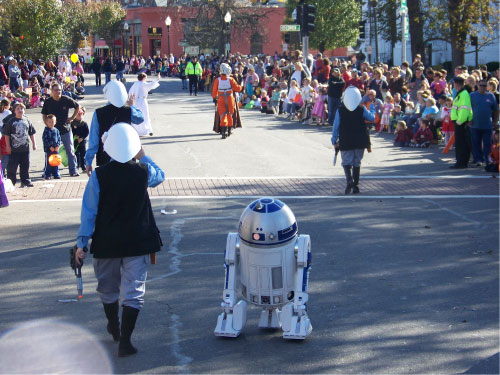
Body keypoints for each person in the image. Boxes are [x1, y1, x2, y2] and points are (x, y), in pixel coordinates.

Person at [74, 123, 164, 357]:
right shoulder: (143, 171)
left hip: (107, 242)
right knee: (134, 291)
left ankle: (113, 325)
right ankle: (125, 340)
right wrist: (142, 153)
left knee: (108, 289)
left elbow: (89, 212)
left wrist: (82, 243)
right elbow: (160, 175)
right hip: (138, 240)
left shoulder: (99, 175)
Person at [85, 81, 144, 176]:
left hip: (105, 157)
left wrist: (88, 161)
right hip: (127, 155)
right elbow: (140, 118)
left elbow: (93, 140)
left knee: (107, 188)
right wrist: (132, 105)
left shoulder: (98, 113)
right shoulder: (128, 111)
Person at [331, 86, 375, 195]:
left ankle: (349, 180)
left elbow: (336, 127)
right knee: (357, 162)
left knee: (346, 161)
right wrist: (373, 108)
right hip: (361, 139)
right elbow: (372, 118)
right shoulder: (361, 108)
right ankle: (356, 185)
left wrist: (334, 140)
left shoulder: (340, 110)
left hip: (346, 139)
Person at [41, 82, 80, 176]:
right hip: (53, 132)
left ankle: (73, 170)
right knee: (51, 152)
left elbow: (77, 106)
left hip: (65, 129)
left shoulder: (65, 99)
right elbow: (44, 115)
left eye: (59, 90)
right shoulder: (48, 101)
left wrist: (72, 118)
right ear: (51, 91)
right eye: (56, 90)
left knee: (70, 151)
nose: (58, 91)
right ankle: (49, 171)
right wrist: (48, 124)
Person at [2, 103, 37, 187]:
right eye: (18, 109)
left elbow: (31, 133)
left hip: (25, 148)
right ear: (14, 111)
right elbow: (6, 135)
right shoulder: (11, 121)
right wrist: (8, 146)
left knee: (25, 165)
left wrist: (34, 143)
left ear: (24, 110)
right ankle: (11, 182)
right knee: (12, 167)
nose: (20, 110)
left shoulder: (27, 120)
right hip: (14, 149)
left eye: (21, 108)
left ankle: (25, 181)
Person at [470, 79, 499, 167]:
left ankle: (488, 160)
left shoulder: (491, 96)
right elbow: (467, 109)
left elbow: (496, 110)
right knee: (476, 143)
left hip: (487, 125)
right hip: (475, 124)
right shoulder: (472, 95)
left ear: (487, 86)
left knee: (488, 144)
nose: (483, 87)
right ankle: (478, 159)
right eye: (481, 85)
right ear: (477, 85)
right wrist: (468, 119)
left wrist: (495, 121)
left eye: (484, 86)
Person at [212, 63, 243, 139]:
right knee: (230, 114)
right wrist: (241, 86)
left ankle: (223, 131)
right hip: (230, 99)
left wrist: (214, 98)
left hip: (221, 99)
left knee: (223, 115)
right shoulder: (231, 79)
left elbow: (214, 92)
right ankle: (229, 130)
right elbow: (237, 89)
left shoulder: (217, 80)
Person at [449, 76, 473, 169]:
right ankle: (461, 162)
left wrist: (459, 122)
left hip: (461, 123)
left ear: (456, 83)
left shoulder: (463, 94)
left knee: (461, 144)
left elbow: (464, 109)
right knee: (461, 144)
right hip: (460, 122)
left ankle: (461, 163)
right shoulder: (462, 93)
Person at [42, 114, 62, 179]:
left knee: (56, 161)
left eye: (52, 122)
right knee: (49, 162)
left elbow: (59, 138)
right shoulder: (46, 130)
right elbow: (45, 139)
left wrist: (58, 145)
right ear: (47, 122)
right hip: (49, 149)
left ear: (55, 122)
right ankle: (47, 174)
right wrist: (50, 146)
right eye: (49, 122)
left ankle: (56, 173)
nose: (51, 123)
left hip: (55, 149)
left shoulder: (56, 130)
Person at [72, 107, 90, 174]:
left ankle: (83, 166)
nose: (79, 116)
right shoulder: (72, 123)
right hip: (75, 141)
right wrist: (75, 136)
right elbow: (71, 131)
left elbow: (86, 132)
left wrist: (82, 138)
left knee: (83, 153)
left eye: (81, 114)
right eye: (78, 114)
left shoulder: (84, 123)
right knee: (76, 153)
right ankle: (76, 166)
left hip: (82, 141)